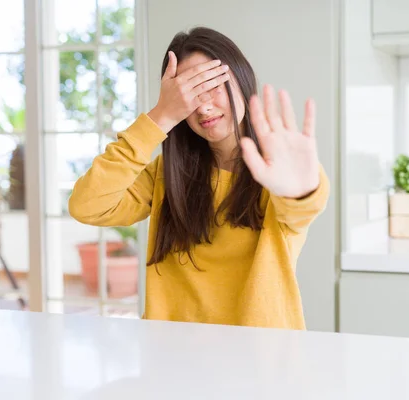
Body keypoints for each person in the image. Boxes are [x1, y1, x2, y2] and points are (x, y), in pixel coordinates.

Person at [68, 26, 329, 330]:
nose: (203, 106)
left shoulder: (278, 173)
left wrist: (301, 191)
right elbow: (87, 205)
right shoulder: (166, 174)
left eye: (212, 86)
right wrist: (160, 117)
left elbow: (304, 203)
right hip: (172, 358)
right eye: (189, 94)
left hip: (259, 363)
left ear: (241, 79)